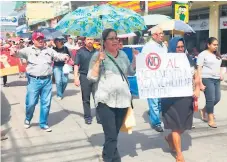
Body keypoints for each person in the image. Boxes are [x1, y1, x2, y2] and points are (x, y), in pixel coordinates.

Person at [87, 28, 136, 162]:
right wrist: (98, 61)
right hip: (105, 101)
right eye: (111, 38)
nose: (115, 40)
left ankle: (106, 153)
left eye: (116, 38)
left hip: (123, 101)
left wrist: (135, 60)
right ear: (104, 42)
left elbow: (130, 72)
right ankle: (110, 159)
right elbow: (91, 77)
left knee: (114, 134)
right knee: (111, 136)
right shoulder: (97, 56)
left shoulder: (123, 55)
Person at [10, 32, 69, 132]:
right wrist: (13, 51)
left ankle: (43, 123)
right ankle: (28, 118)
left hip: (47, 81)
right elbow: (16, 54)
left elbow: (57, 55)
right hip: (34, 81)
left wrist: (65, 56)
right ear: (33, 40)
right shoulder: (28, 50)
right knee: (31, 103)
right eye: (38, 39)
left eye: (42, 38)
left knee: (46, 103)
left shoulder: (49, 50)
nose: (41, 40)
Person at [161, 37, 200, 162]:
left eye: (182, 46)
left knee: (183, 126)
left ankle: (170, 138)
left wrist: (198, 88)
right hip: (170, 100)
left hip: (186, 97)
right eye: (178, 47)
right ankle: (179, 155)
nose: (181, 49)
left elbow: (196, 75)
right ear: (173, 47)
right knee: (176, 127)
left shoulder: (188, 59)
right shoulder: (165, 61)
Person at [142, 26, 168, 132]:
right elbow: (143, 62)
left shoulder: (163, 46)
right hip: (152, 78)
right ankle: (156, 123)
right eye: (159, 33)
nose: (162, 35)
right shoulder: (148, 47)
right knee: (154, 101)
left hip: (163, 77)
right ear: (154, 35)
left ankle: (153, 113)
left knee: (160, 101)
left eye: (162, 33)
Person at [197, 37, 223, 128]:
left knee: (217, 98)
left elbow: (219, 66)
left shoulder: (217, 55)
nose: (216, 46)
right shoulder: (203, 54)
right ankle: (210, 118)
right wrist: (200, 82)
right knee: (210, 99)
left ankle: (204, 110)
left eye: (217, 45)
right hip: (207, 78)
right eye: (214, 44)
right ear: (208, 45)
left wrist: (220, 74)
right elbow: (199, 69)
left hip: (216, 79)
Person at [74, 37, 99, 124]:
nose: (90, 41)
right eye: (88, 39)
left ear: (93, 41)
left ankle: (99, 116)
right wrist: (76, 77)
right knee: (86, 98)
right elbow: (76, 65)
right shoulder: (80, 51)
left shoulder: (97, 52)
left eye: (91, 39)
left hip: (96, 76)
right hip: (84, 76)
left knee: (98, 97)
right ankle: (88, 116)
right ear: (85, 41)